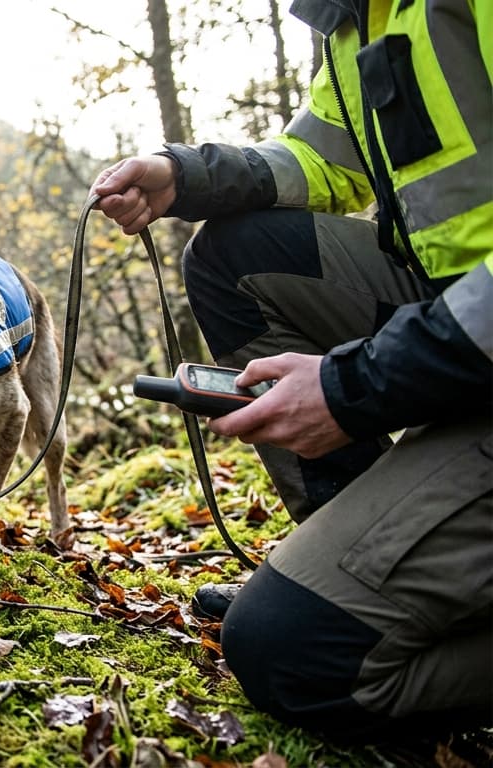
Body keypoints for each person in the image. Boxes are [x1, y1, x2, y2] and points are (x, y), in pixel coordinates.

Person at [91, 0, 491, 744]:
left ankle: (366, 594)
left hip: (473, 332)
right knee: (232, 255)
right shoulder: (356, 21)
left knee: (295, 653)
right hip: (459, 320)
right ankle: (352, 555)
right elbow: (324, 161)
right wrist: (186, 176)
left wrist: (356, 385)